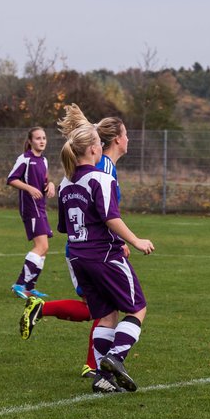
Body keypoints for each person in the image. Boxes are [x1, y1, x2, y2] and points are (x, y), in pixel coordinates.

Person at [20, 105, 129, 380]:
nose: (129, 140)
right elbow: (102, 213)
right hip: (92, 248)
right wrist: (120, 241)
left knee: (99, 309)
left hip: (84, 246)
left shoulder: (101, 165)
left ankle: (45, 312)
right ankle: (94, 363)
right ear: (116, 139)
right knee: (104, 309)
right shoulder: (101, 167)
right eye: (127, 134)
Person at [55, 121, 154, 393]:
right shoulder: (102, 179)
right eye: (98, 142)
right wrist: (134, 240)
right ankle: (116, 358)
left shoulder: (65, 183)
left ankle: (103, 378)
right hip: (103, 255)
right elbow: (111, 217)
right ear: (92, 149)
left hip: (78, 257)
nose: (101, 145)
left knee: (107, 315)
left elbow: (64, 226)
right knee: (137, 309)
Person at [7, 126, 56, 299]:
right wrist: (28, 188)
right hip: (30, 208)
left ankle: (30, 286)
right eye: (38, 138)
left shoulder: (44, 161)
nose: (41, 141)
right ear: (30, 141)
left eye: (44, 138)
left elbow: (45, 180)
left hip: (40, 207)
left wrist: (50, 185)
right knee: (41, 246)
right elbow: (11, 179)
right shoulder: (24, 159)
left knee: (45, 248)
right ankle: (19, 284)